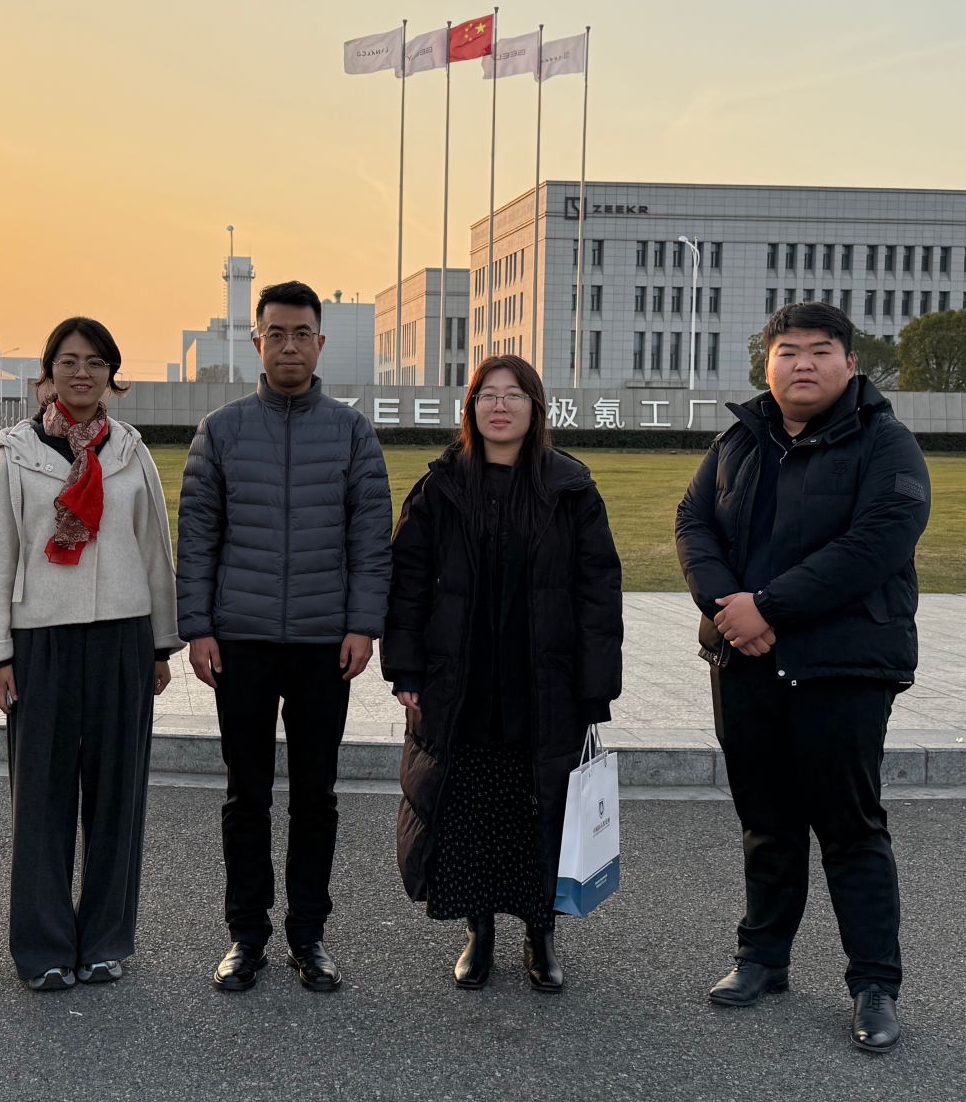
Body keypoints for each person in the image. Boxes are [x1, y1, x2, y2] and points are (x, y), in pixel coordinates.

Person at [675, 301, 932, 1053]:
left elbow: (877, 543)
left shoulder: (885, 442)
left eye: (820, 351)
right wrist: (728, 609)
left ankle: (874, 984)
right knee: (766, 822)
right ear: (769, 364)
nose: (803, 364)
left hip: (842, 665)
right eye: (788, 351)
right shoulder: (741, 437)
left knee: (850, 829)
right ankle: (762, 958)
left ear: (850, 363)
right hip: (745, 661)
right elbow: (693, 523)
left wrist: (768, 608)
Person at [0, 317, 179, 992]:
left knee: (117, 799)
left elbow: (154, 552)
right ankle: (43, 947)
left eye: (96, 362)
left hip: (122, 640)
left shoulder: (130, 452)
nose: (83, 373)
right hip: (41, 644)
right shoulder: (17, 454)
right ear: (47, 374)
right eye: (69, 361)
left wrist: (160, 644)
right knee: (41, 801)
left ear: (112, 376)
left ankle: (105, 939)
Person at [177, 280, 392, 994]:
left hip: (324, 644)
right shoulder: (222, 431)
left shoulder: (351, 432)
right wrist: (198, 628)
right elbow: (197, 537)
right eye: (277, 333)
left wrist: (363, 625)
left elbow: (371, 538)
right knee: (246, 794)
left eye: (302, 333)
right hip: (239, 642)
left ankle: (309, 934)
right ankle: (246, 936)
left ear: (320, 343)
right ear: (257, 342)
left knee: (315, 795)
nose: (289, 345)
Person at [382, 356, 623, 993]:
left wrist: (596, 685)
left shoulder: (570, 487)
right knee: (470, 812)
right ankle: (479, 930)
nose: (500, 405)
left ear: (535, 408)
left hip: (543, 683)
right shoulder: (441, 486)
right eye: (487, 394)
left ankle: (541, 935)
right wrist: (405, 668)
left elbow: (599, 590)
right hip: (461, 682)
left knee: (540, 811)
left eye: (514, 394)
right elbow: (407, 584)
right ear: (471, 407)